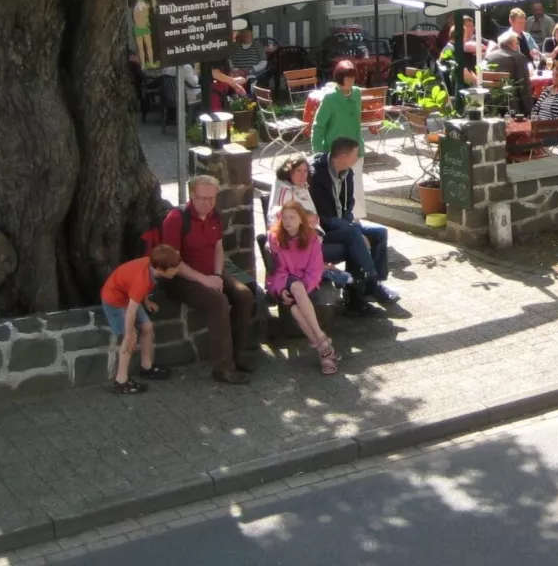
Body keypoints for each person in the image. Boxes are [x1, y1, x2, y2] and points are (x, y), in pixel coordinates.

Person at [160, 175, 258, 384]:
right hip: (182, 278)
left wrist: (215, 275)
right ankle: (222, 368)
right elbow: (173, 261)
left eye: (211, 199)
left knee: (245, 295)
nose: (207, 203)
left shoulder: (215, 216)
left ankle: (236, 356)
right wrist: (204, 281)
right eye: (202, 198)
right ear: (192, 195)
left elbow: (218, 248)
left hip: (210, 273)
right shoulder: (176, 219)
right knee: (218, 301)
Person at [309, 138, 400, 317]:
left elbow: (349, 204)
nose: (357, 158)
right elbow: (323, 216)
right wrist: (352, 229)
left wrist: (350, 224)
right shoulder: (316, 174)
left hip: (343, 224)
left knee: (379, 233)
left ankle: (374, 285)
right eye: (354, 155)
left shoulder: (347, 173)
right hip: (324, 229)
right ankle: (362, 290)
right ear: (342, 157)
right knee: (354, 237)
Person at [264, 201, 340, 375]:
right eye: (285, 218)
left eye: (292, 217)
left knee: (297, 310)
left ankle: (323, 352)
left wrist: (304, 289)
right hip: (286, 283)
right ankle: (323, 341)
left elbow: (315, 269)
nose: (288, 221)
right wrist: (282, 289)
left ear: (301, 220)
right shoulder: (275, 239)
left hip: (308, 284)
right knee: (296, 287)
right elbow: (276, 272)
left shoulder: (312, 239)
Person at [101, 245, 182, 395]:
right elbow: (131, 310)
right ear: (160, 269)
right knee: (131, 340)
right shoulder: (142, 281)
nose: (177, 270)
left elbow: (138, 287)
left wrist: (146, 302)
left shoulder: (150, 267)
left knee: (147, 327)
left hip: (130, 296)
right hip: (115, 301)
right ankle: (121, 381)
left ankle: (146, 366)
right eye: (173, 268)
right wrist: (128, 334)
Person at [312, 59, 365, 217]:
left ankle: (356, 220)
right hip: (336, 152)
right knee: (337, 188)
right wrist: (318, 154)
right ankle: (339, 218)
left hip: (355, 149)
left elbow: (357, 121)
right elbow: (318, 126)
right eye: (346, 78)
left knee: (356, 186)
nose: (349, 81)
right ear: (339, 78)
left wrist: (360, 147)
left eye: (352, 78)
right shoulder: (329, 98)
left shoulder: (357, 93)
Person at [483, 30, 534, 116]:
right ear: (512, 43)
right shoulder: (519, 57)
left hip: (490, 101)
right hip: (511, 104)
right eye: (517, 43)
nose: (518, 45)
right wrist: (529, 109)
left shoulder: (488, 57)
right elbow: (524, 85)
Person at [270, 154, 319, 229]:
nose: (303, 175)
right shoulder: (284, 192)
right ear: (289, 172)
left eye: (305, 171)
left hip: (314, 233)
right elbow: (278, 224)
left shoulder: (301, 186)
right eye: (298, 170)